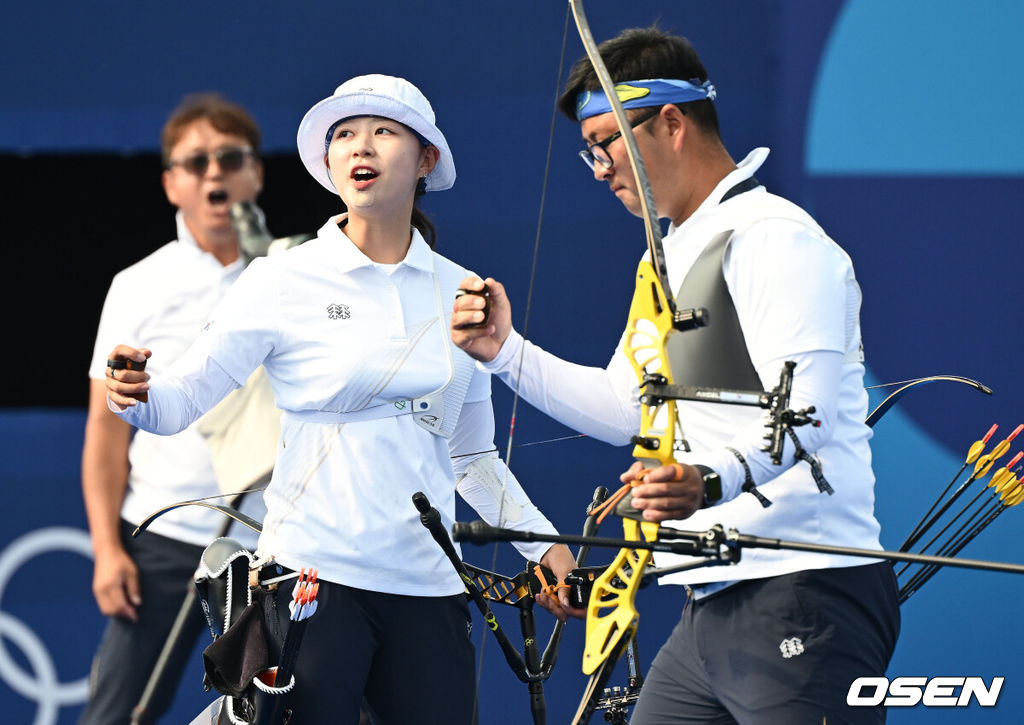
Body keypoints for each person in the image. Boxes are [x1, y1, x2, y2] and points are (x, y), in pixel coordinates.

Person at [451, 26, 899, 725]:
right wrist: (505, 351)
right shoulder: (667, 256)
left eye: (606, 141)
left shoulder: (773, 239)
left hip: (805, 588)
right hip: (711, 600)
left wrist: (707, 480)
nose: (598, 166)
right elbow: (627, 406)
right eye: (588, 150)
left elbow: (808, 416)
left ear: (670, 121)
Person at [103, 74, 578, 725]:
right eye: (345, 134)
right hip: (312, 584)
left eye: (384, 131)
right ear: (328, 163)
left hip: (430, 590)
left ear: (426, 160)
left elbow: (472, 455)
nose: (363, 146)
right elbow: (179, 401)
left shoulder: (461, 289)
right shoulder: (280, 278)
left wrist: (543, 545)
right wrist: (134, 395)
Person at [81, 93, 270, 724]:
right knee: (119, 714)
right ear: (171, 184)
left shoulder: (293, 275)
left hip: (269, 542)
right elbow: (106, 435)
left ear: (256, 173)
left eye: (231, 157)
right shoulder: (139, 286)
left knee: (281, 710)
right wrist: (108, 549)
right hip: (162, 538)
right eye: (196, 162)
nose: (215, 172)